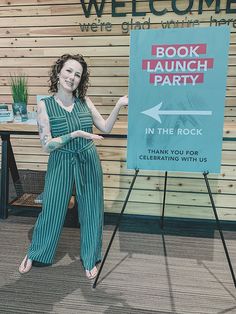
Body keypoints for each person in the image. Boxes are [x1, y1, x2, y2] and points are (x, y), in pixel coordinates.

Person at [19, 53, 128, 279]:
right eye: (69, 71)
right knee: (52, 207)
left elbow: (105, 128)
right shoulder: (45, 105)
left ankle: (90, 258)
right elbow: (47, 145)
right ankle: (35, 252)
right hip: (61, 159)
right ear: (58, 73)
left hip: (88, 158)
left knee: (91, 209)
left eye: (78, 74)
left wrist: (119, 104)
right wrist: (74, 134)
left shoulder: (85, 102)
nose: (72, 77)